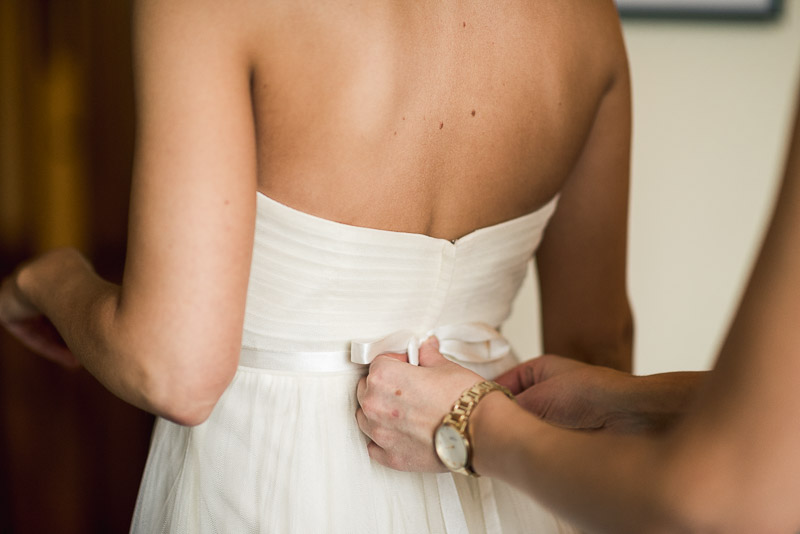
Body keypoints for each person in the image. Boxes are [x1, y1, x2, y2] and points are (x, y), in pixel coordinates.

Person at [0, 0, 634, 531]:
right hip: (491, 477)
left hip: (270, 485)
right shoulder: (589, 20)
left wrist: (48, 279)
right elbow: (596, 352)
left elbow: (175, 371)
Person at [356, 87, 800, 532]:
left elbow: (726, 499)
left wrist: (474, 424)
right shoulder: (593, 26)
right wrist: (632, 402)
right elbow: (597, 342)